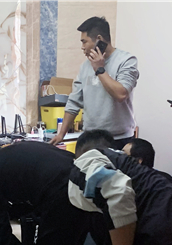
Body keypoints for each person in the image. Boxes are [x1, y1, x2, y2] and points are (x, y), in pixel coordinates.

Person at [49, 16, 139, 150]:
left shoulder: (126, 61)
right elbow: (74, 102)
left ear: (99, 39)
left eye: (84, 42)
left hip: (119, 139)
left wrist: (99, 69)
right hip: (91, 139)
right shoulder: (85, 66)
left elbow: (121, 94)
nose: (82, 47)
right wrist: (61, 134)